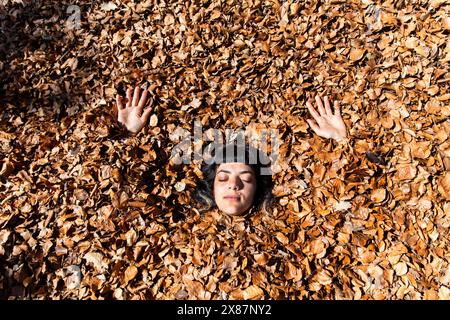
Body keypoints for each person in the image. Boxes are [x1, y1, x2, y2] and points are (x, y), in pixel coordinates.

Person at [114, 85, 348, 216]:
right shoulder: (180, 219)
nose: (233, 185)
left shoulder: (289, 218)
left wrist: (340, 140)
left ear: (258, 188)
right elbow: (128, 197)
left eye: (246, 179)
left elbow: (338, 203)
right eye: (223, 177)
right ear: (210, 185)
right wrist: (127, 135)